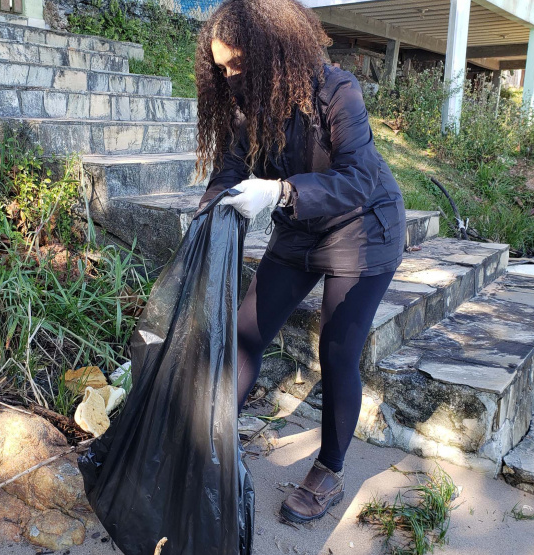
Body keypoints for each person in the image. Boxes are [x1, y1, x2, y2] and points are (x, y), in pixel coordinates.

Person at [193, 0, 407, 524]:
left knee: (337, 352)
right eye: (221, 68)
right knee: (245, 332)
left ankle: (329, 470)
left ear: (271, 50)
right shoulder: (248, 103)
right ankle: (210, 442)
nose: (229, 78)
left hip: (364, 230)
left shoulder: (337, 92)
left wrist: (281, 191)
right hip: (299, 229)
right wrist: (212, 209)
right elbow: (231, 167)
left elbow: (357, 179)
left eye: (237, 65)